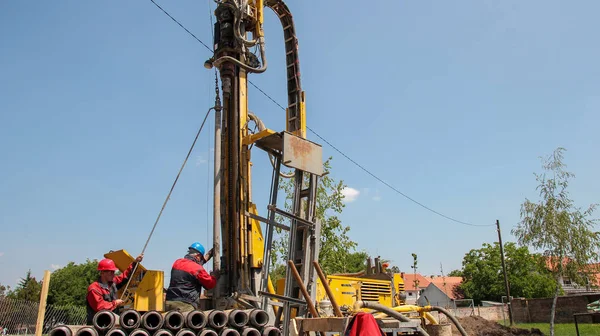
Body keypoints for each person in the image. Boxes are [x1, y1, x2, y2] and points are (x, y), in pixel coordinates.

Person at [86, 254, 143, 324]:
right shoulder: (94, 289)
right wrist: (115, 303)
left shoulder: (113, 283)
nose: (113, 274)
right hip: (98, 324)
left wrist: (135, 262)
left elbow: (125, 276)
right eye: (111, 272)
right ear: (102, 272)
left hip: (110, 323)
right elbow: (99, 307)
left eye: (113, 271)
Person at [165, 242, 217, 312]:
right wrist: (214, 276)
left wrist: (209, 254)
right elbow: (210, 284)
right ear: (198, 256)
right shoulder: (197, 269)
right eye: (200, 257)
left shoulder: (177, 263)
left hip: (169, 303)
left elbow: (193, 264)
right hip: (185, 306)